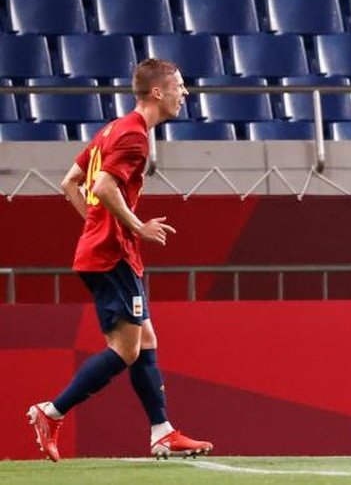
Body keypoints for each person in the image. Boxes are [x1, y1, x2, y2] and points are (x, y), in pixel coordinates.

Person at [27, 59, 213, 462]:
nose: (186, 93)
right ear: (158, 92)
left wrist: (100, 225)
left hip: (108, 250)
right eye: (179, 85)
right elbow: (103, 186)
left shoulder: (113, 128)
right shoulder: (133, 136)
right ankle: (51, 411)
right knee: (126, 350)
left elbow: (69, 183)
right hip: (113, 256)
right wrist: (134, 226)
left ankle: (162, 432)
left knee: (146, 340)